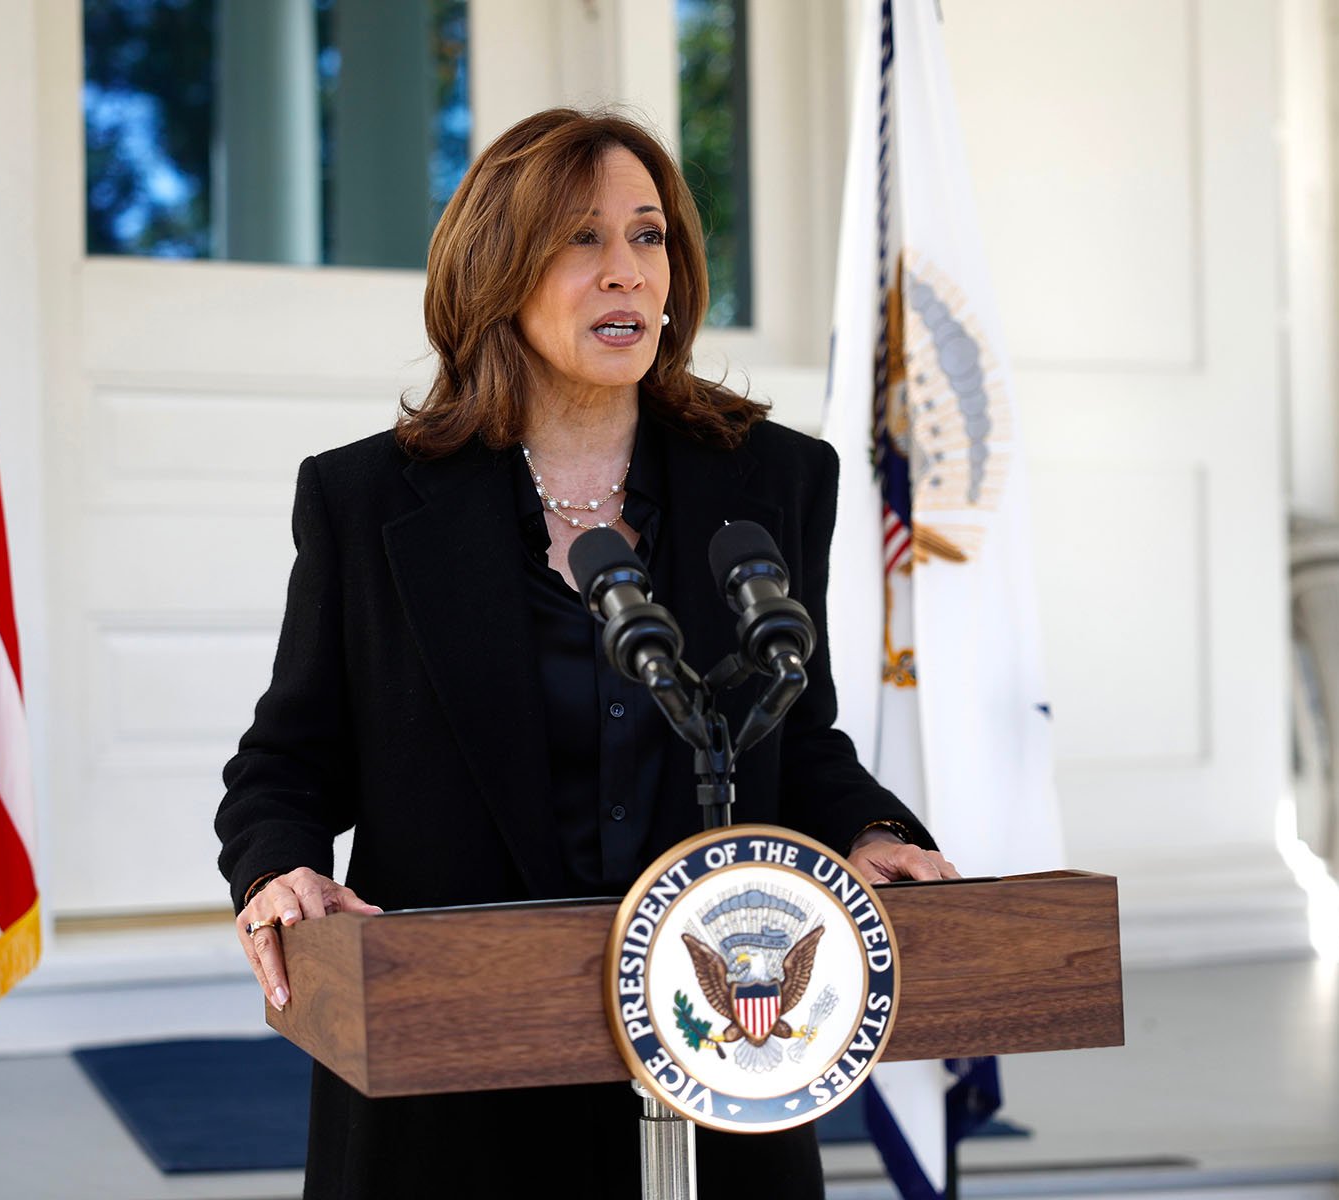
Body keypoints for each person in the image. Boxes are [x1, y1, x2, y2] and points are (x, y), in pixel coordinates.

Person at [215, 107, 959, 1200]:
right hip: (453, 1076)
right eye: (582, 239)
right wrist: (278, 870)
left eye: (649, 237)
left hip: (718, 1053)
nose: (627, 273)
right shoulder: (365, 501)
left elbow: (793, 732)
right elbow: (285, 766)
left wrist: (871, 827)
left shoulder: (773, 483)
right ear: (497, 269)